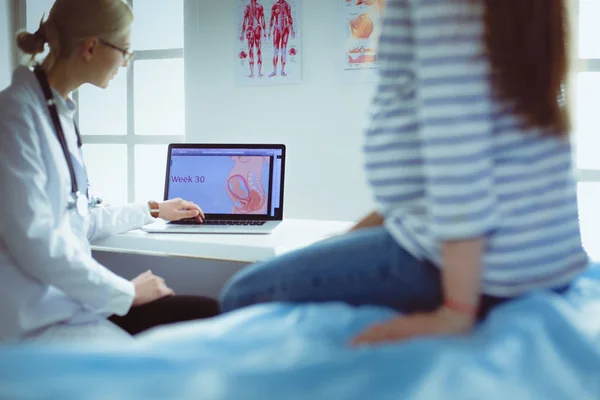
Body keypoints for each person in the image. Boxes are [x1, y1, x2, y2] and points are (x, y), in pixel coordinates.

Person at [220, 0, 589, 346]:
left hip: (488, 269)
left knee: (242, 294)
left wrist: (456, 312)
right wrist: (342, 243)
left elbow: (458, 146)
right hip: (546, 257)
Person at [0, 0, 218, 343]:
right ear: (90, 48)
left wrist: (154, 209)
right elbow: (36, 241)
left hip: (72, 307)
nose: (127, 61)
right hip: (37, 323)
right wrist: (127, 292)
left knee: (207, 312)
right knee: (199, 323)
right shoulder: (15, 115)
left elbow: (80, 218)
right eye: (125, 51)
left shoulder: (55, 112)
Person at [268, 0, 295, 77]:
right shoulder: (274, 5)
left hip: (285, 28)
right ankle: (274, 71)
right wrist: (269, 31)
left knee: (283, 50)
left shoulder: (287, 5)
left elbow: (289, 17)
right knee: (276, 51)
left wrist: (292, 30)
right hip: (277, 28)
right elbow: (272, 18)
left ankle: (282, 70)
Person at [240, 0, 267, 78]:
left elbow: (262, 20)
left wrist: (265, 31)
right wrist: (242, 33)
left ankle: (257, 72)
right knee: (253, 51)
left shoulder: (257, 7)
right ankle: (255, 73)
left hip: (255, 29)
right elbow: (245, 21)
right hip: (252, 29)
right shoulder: (249, 7)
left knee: (256, 50)